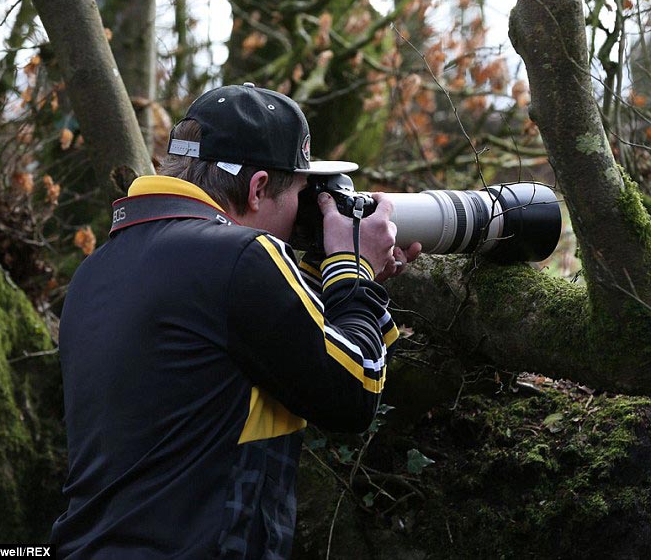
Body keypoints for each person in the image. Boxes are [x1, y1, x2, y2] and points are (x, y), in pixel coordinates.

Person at [50, 83, 421, 559]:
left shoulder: (97, 269)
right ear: (258, 187)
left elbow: (248, 339)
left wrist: (346, 280)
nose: (300, 217)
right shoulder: (243, 257)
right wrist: (353, 271)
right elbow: (354, 391)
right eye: (302, 195)